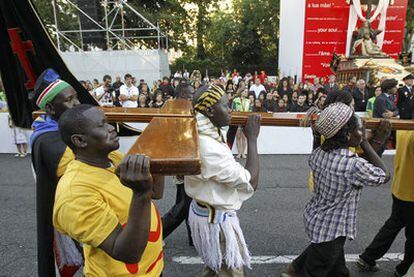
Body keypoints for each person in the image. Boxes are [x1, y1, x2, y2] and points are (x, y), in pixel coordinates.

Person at [54, 105, 164, 276]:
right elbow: (128, 253)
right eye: (102, 125)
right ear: (80, 141)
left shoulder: (112, 158)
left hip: (153, 270)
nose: (112, 127)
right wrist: (141, 194)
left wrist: (156, 150)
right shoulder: (74, 194)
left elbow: (156, 192)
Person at [283, 103, 390, 277]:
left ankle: (294, 269)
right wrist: (367, 142)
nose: (362, 132)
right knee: (316, 269)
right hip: (332, 230)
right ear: (348, 135)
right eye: (359, 129)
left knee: (337, 268)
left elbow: (320, 143)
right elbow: (384, 175)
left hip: (318, 220)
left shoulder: (318, 154)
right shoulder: (352, 165)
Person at [186, 85, 261, 276]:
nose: (231, 110)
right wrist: (252, 139)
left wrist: (234, 128)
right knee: (230, 271)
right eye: (226, 106)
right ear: (210, 111)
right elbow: (251, 182)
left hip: (205, 213)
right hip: (217, 221)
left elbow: (222, 146)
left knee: (215, 267)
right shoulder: (208, 147)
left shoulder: (201, 132)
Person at [30, 68, 83, 276]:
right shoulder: (54, 143)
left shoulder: (48, 130)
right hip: (71, 215)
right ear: (51, 108)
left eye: (76, 97)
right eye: (70, 100)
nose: (77, 104)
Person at [357, 129, 414, 277]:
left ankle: (368, 257)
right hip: (412, 193)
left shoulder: (404, 128)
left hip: (400, 187)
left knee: (393, 225)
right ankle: (404, 269)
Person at [161, 83, 194, 246]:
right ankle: (157, 233)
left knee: (187, 203)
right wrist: (180, 167)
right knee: (182, 206)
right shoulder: (175, 114)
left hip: (188, 164)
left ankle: (193, 238)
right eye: (189, 96)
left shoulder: (183, 111)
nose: (192, 99)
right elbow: (173, 142)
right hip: (184, 165)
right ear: (180, 96)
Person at [232, 89, 251, 158]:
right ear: (241, 92)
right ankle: (239, 152)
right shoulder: (235, 100)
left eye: (247, 92)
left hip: (245, 120)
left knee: (244, 137)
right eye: (245, 91)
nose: (246, 93)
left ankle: (243, 153)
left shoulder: (248, 101)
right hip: (238, 119)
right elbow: (233, 109)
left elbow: (250, 110)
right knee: (238, 136)